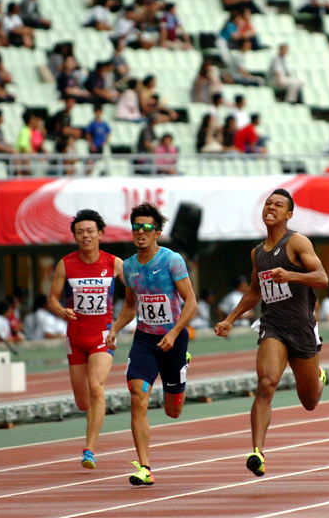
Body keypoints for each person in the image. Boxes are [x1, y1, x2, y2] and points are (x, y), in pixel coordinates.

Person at [214, 189, 328, 477]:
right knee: (266, 383)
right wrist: (230, 319)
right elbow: (255, 291)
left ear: (288, 214)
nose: (271, 208)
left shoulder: (297, 242)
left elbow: (322, 278)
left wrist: (291, 275)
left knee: (310, 402)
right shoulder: (258, 252)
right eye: (268, 203)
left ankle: (319, 376)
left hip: (301, 328)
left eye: (278, 205)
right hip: (273, 326)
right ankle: (257, 453)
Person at [105, 202, 197, 486]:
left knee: (173, 411)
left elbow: (191, 303)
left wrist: (174, 333)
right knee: (137, 395)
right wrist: (115, 329)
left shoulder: (172, 260)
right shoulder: (129, 266)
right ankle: (145, 467)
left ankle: (183, 364)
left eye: (146, 228)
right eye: (136, 227)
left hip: (174, 338)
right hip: (145, 339)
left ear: (157, 232)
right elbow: (131, 307)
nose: (140, 232)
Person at [48, 209, 124, 470]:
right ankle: (92, 420)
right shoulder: (65, 264)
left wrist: (119, 325)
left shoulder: (114, 263)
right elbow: (52, 299)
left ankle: (89, 449)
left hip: (101, 334)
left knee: (96, 386)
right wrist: (60, 310)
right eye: (80, 232)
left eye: (90, 231)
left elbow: (136, 294)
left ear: (101, 234)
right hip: (75, 337)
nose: (86, 236)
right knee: (83, 402)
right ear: (75, 236)